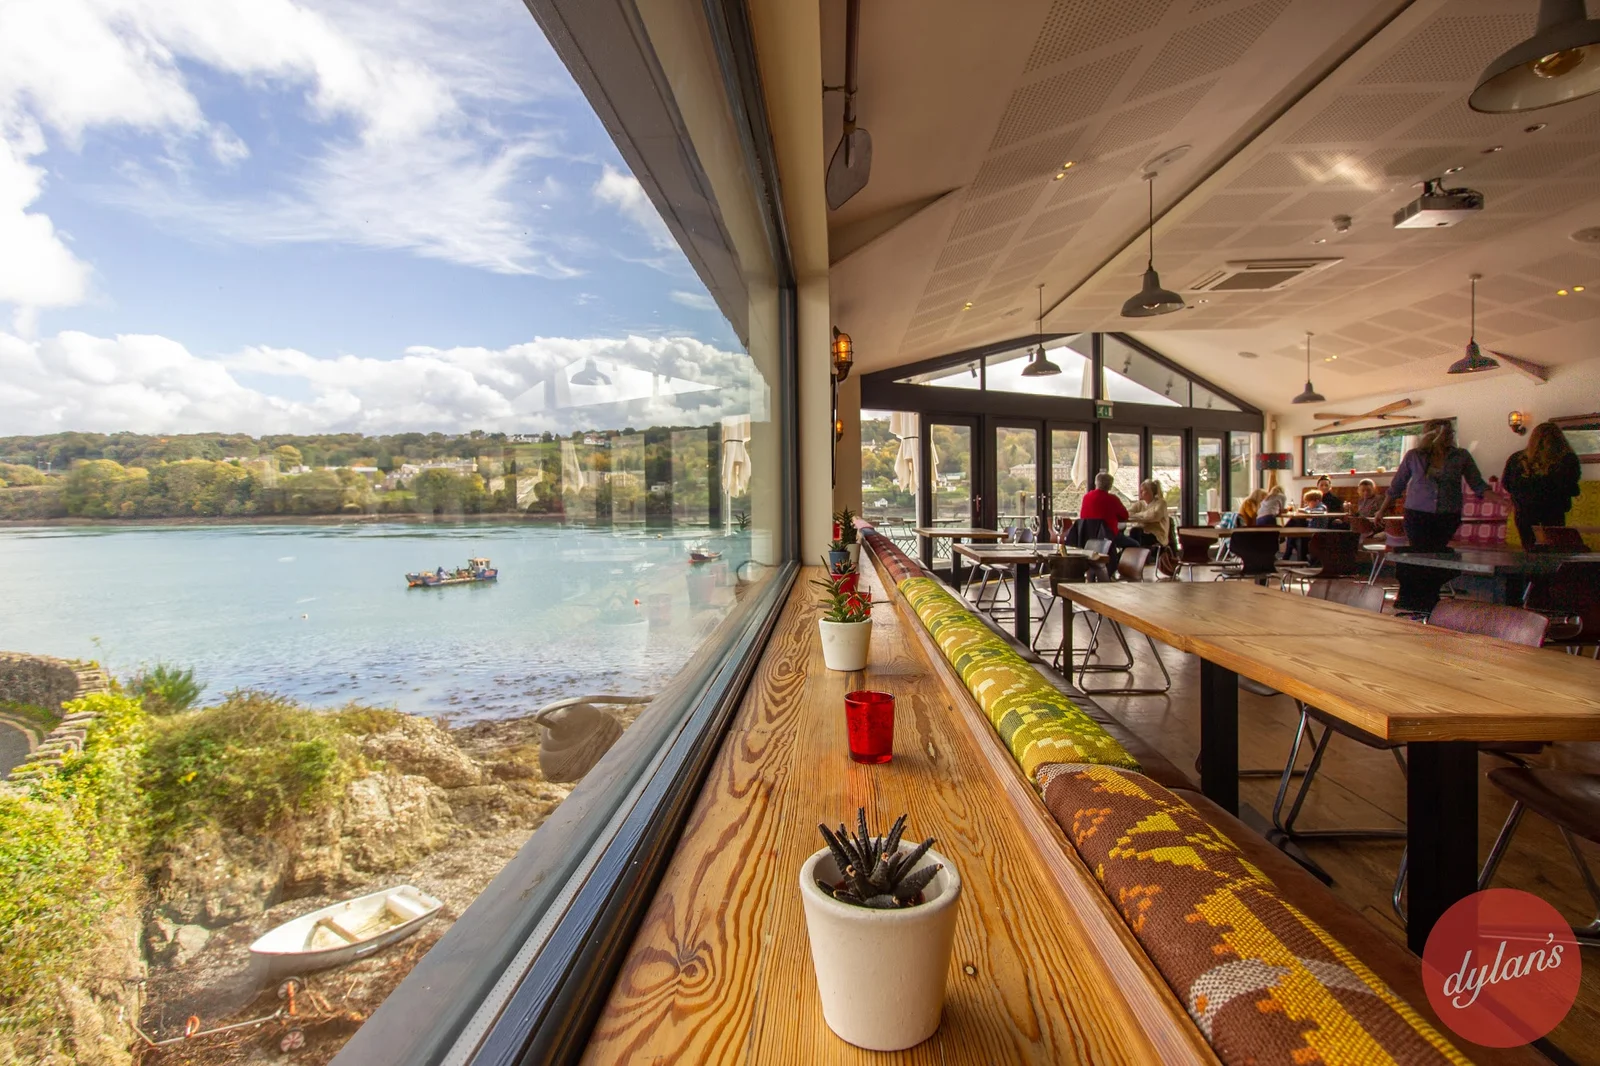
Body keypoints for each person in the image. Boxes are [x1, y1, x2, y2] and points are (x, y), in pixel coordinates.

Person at [1380, 419, 1506, 552]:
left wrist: (1502, 501)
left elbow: (1478, 485)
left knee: (1439, 552)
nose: (1450, 435)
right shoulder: (1414, 456)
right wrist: (1381, 510)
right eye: (1447, 433)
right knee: (1419, 552)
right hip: (1417, 514)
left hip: (1448, 514)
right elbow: (1397, 485)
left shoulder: (1461, 456)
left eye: (1451, 432)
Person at [1502, 421, 1582, 547]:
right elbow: (1570, 485)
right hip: (1554, 510)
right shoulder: (1566, 459)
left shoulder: (1516, 459)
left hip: (1524, 512)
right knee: (1555, 548)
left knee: (1529, 548)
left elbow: (1506, 483)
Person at [1125, 479, 1170, 550]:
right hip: (1141, 532)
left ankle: (1138, 556)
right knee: (1133, 533)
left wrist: (1137, 515)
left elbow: (1154, 516)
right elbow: (1128, 513)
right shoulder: (1139, 504)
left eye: (1143, 490)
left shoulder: (1161, 503)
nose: (1140, 492)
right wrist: (1144, 515)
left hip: (1157, 535)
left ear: (1151, 492)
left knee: (1136, 533)